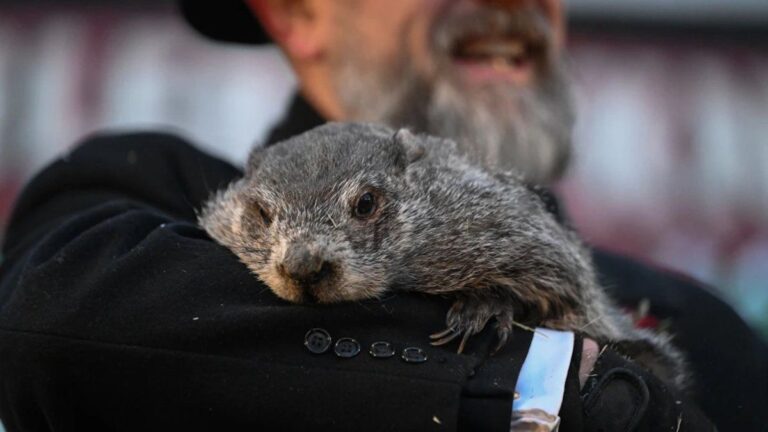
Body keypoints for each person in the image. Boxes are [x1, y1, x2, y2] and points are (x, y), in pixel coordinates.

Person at [0, 0, 763, 430]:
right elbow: (58, 325)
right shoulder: (139, 199)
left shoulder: (702, 328)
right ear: (296, 12)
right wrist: (553, 383)